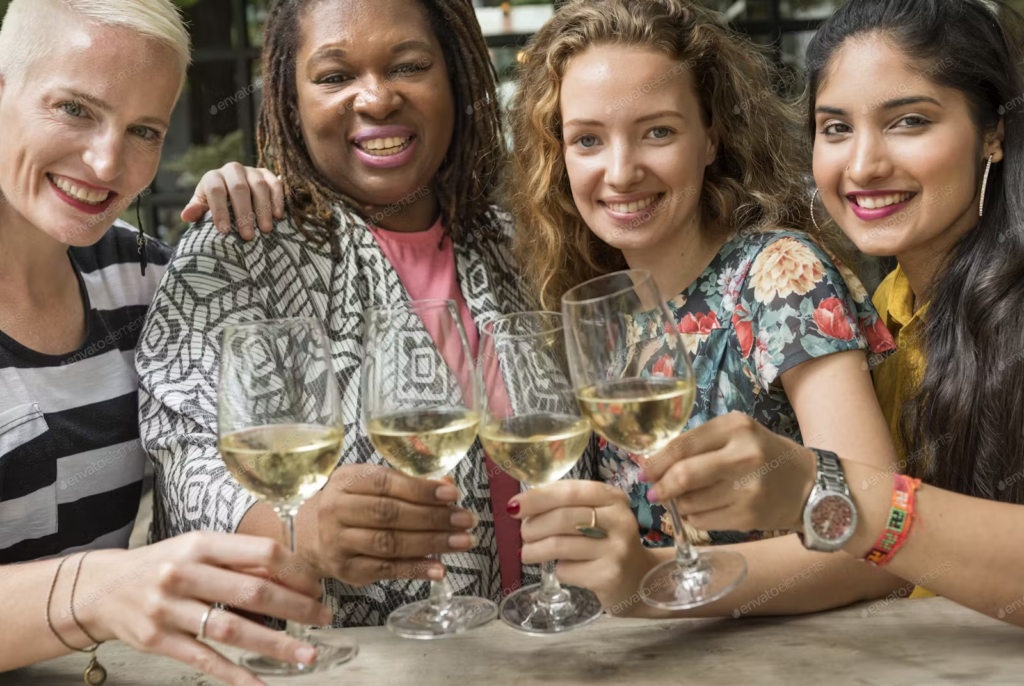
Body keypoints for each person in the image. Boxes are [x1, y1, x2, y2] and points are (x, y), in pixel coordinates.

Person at [136, 0, 572, 628]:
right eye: (335, 76)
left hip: (545, 652)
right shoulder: (242, 247)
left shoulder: (521, 245)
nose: (375, 99)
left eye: (410, 66)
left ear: (455, 76)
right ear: (291, 100)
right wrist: (299, 532)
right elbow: (186, 461)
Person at [499, 0, 909, 618]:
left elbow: (880, 545)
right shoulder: (604, 305)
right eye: (587, 139)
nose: (621, 171)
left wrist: (650, 583)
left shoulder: (778, 274)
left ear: (711, 136)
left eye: (657, 131)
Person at [639, 0, 1024, 625]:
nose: (863, 165)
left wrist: (828, 490)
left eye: (909, 122)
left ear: (993, 132)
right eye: (837, 128)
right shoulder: (891, 305)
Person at [0, 2, 330, 682]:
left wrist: (243, 215)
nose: (107, 162)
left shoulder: (140, 278)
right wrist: (92, 591)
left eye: (144, 129)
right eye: (75, 109)